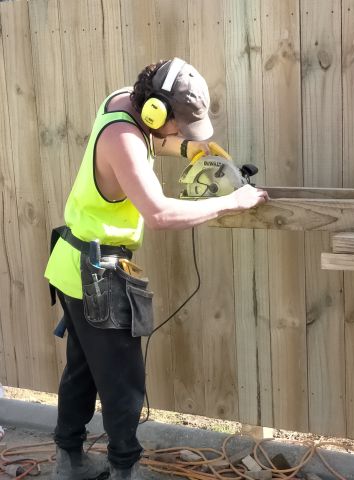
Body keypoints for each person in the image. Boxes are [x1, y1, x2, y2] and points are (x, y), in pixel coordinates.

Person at [45, 57, 269, 480]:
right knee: (123, 383)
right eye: (178, 127)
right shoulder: (123, 141)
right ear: (155, 112)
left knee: (82, 369)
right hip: (99, 276)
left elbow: (153, 141)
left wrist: (189, 148)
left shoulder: (121, 101)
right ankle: (125, 469)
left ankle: (68, 459)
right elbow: (160, 213)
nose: (180, 134)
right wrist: (231, 202)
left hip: (72, 263)